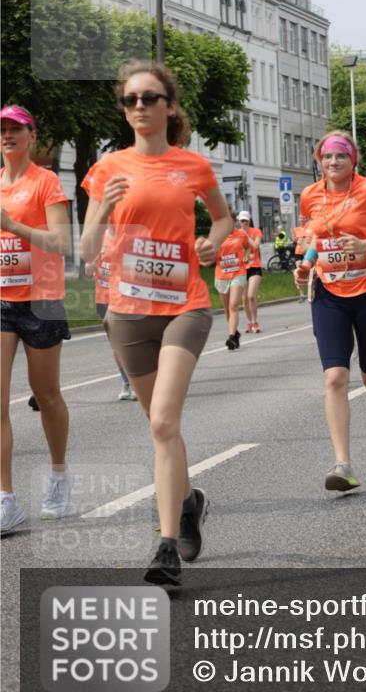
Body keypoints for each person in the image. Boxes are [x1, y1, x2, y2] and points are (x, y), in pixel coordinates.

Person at [80, 60, 232, 586]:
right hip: (127, 313)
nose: (139, 107)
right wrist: (102, 213)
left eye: (149, 98)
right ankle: (189, 502)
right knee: (158, 428)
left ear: (169, 105)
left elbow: (222, 215)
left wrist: (215, 239)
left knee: (165, 422)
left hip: (184, 305)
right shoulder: (106, 169)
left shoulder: (192, 167)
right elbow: (85, 250)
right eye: (130, 101)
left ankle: (164, 548)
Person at [294, 130, 366, 492]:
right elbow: (316, 236)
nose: (333, 163)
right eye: (327, 157)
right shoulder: (310, 195)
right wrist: (305, 263)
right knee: (334, 377)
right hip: (328, 294)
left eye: (340, 156)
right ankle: (343, 464)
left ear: (352, 159)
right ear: (319, 160)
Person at [1, 105, 72, 534]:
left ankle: (59, 474)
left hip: (42, 300)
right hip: (2, 300)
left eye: (15, 130)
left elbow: (61, 241)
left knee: (46, 396)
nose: (7, 136)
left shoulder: (46, 183)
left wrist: (13, 225)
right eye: (2, 130)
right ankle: (6, 499)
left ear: (32, 136)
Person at [83, 227, 136, 400]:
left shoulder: (129, 236)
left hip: (124, 297)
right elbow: (88, 271)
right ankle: (127, 383)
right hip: (103, 299)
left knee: (131, 341)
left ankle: (138, 381)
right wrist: (95, 258)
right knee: (116, 346)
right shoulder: (98, 237)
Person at [215, 212, 252, 350]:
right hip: (221, 275)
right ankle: (235, 332)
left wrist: (246, 256)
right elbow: (210, 254)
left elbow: (248, 247)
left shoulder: (241, 235)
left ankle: (231, 337)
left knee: (233, 305)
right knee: (226, 309)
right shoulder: (217, 236)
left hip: (238, 273)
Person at [238, 212, 264, 331]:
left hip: (255, 267)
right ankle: (250, 322)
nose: (243, 223)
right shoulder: (236, 234)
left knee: (251, 296)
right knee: (244, 299)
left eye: (246, 221)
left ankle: (255, 322)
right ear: (239, 222)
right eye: (242, 221)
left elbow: (255, 245)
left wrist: (246, 236)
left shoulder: (256, 231)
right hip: (242, 268)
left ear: (249, 221)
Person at [292, 221, 309, 303]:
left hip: (308, 252)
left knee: (309, 273)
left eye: (303, 218)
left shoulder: (310, 227)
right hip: (298, 252)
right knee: (299, 272)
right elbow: (294, 240)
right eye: (300, 218)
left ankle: (311, 292)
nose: (302, 220)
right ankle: (302, 295)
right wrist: (297, 241)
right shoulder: (296, 229)